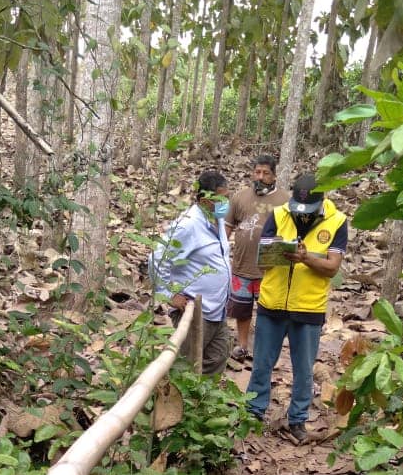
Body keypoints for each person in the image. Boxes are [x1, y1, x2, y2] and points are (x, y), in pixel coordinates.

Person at [247, 172, 348, 442]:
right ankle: (253, 412)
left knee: (303, 370)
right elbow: (262, 261)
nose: (302, 215)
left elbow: (332, 267)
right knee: (261, 364)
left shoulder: (337, 221)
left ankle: (298, 419)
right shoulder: (279, 214)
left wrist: (306, 258)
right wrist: (277, 253)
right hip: (273, 302)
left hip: (308, 307)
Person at [149, 170, 231, 376]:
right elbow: (158, 257)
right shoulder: (188, 224)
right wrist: (168, 294)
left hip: (217, 309)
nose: (226, 203)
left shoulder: (217, 220)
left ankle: (203, 397)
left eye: (227, 197)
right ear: (204, 201)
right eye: (221, 199)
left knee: (216, 359)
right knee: (185, 368)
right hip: (194, 310)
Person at [225, 155, 289, 361]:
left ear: (274, 176)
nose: (260, 177)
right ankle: (242, 345)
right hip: (242, 265)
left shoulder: (284, 201)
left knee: (268, 312)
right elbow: (227, 227)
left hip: (270, 269)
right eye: (257, 172)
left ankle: (263, 350)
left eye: (266, 173)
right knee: (242, 310)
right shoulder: (239, 197)